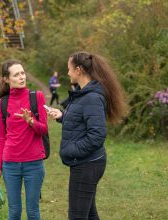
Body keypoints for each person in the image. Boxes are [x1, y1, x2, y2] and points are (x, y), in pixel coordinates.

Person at [48, 51, 127, 220]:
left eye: (69, 69)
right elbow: (81, 121)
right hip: (86, 163)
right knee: (89, 214)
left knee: (77, 216)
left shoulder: (91, 97)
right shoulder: (83, 93)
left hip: (87, 165)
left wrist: (71, 150)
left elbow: (97, 135)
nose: (67, 73)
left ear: (78, 70)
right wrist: (62, 116)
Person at [0, 59, 48, 220]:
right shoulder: (2, 104)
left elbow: (43, 129)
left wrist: (31, 122)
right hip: (10, 165)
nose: (22, 77)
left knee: (33, 211)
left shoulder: (37, 97)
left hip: (34, 164)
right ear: (7, 79)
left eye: (23, 73)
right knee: (14, 211)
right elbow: (1, 139)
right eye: (16, 74)